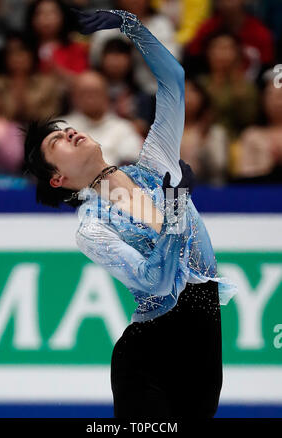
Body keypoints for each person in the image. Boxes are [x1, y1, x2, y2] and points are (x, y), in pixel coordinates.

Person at [22, 9, 237, 418]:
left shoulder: (154, 165)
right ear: (59, 178)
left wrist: (129, 25)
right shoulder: (93, 226)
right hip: (147, 362)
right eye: (56, 144)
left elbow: (173, 81)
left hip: (205, 356)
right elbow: (156, 283)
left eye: (63, 127)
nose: (67, 132)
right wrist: (174, 210)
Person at [63, 70, 143, 166]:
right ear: (74, 97)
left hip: (111, 179)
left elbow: (133, 162)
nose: (90, 97)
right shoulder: (60, 127)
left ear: (106, 95)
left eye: (95, 92)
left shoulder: (124, 128)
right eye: (84, 93)